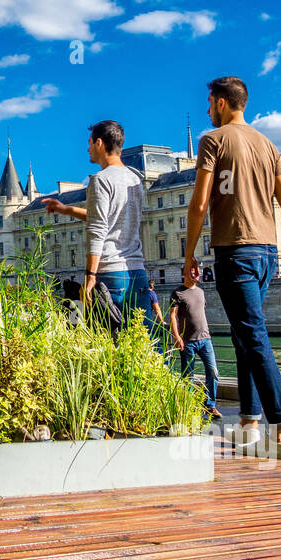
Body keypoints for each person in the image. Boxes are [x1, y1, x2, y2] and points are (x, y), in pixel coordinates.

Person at [183, 76, 281, 462]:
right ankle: (250, 424)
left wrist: (189, 255)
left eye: (209, 102)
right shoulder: (268, 145)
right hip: (267, 253)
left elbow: (200, 203)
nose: (207, 109)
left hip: (234, 249)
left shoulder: (213, 140)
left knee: (253, 336)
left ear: (221, 103)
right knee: (243, 335)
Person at [41, 120, 148, 339]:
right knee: (139, 343)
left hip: (110, 274)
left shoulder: (100, 180)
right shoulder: (135, 179)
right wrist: (66, 209)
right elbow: (108, 218)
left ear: (99, 142)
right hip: (137, 272)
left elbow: (98, 229)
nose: (88, 148)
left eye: (89, 143)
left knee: (107, 343)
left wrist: (90, 276)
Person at [168, 274, 221, 419]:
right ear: (185, 273)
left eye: (197, 271)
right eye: (193, 271)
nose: (196, 274)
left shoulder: (201, 291)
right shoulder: (177, 293)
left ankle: (210, 405)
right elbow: (173, 315)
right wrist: (177, 336)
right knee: (188, 376)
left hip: (205, 339)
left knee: (213, 371)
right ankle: (188, 406)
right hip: (187, 341)